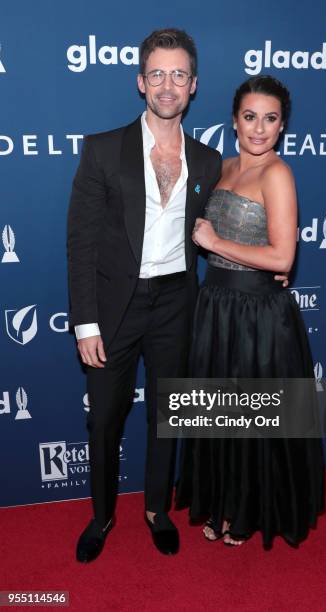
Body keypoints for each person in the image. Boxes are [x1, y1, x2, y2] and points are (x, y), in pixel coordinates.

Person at [67, 28, 224, 561]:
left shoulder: (207, 161)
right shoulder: (103, 150)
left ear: (193, 86)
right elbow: (81, 241)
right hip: (115, 307)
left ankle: (157, 508)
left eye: (178, 74)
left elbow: (219, 230)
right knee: (105, 417)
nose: (167, 84)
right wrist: (85, 323)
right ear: (140, 82)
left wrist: (265, 262)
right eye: (157, 74)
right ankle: (102, 515)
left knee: (169, 414)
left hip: (177, 302)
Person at [175, 75, 326, 548]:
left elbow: (283, 258)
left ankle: (246, 512)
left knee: (252, 423)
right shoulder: (225, 166)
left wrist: (217, 243)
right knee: (223, 417)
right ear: (235, 120)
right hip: (217, 308)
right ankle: (223, 502)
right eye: (249, 117)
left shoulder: (278, 174)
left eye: (270, 118)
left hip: (257, 316)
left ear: (282, 126)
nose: (259, 128)